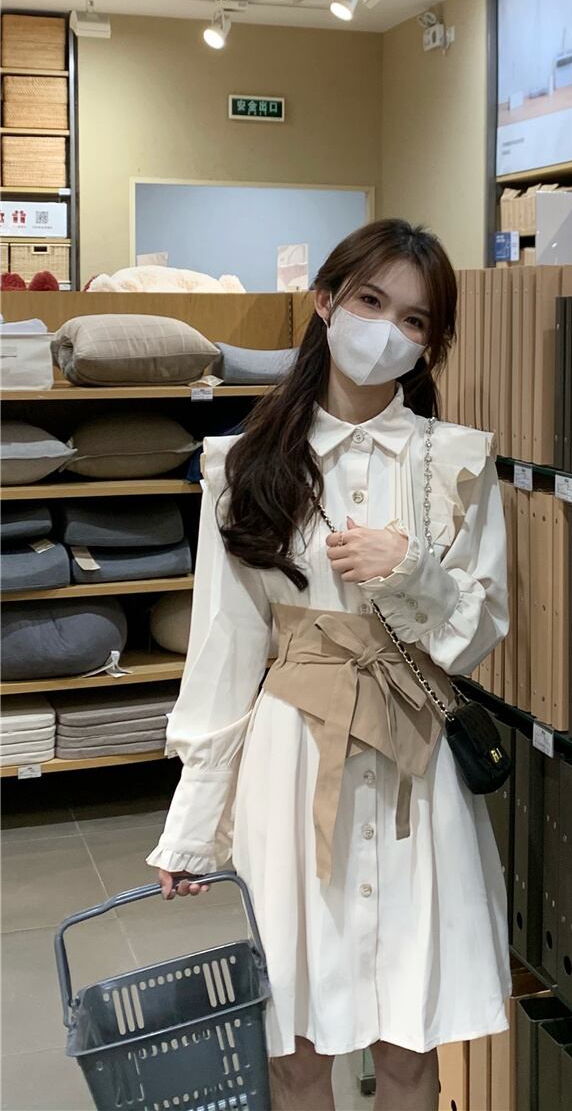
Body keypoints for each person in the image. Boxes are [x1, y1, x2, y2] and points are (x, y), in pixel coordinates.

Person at [146, 219, 512, 1111]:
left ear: (431, 343)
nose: (387, 331)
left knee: (410, 1039)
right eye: (371, 302)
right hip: (291, 760)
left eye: (414, 321)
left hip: (413, 765)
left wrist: (412, 571)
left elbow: (480, 629)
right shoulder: (246, 464)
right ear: (326, 302)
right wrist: (193, 823)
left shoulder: (457, 462)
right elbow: (228, 645)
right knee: (295, 1044)